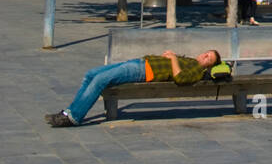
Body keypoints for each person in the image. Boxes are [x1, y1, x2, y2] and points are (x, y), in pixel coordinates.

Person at [45, 48, 221, 127]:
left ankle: (74, 117)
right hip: (140, 63)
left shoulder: (197, 70)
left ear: (208, 66)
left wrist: (173, 58)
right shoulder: (191, 61)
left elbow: (181, 79)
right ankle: (69, 112)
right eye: (206, 53)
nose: (204, 56)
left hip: (143, 71)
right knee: (91, 74)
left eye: (208, 59)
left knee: (99, 80)